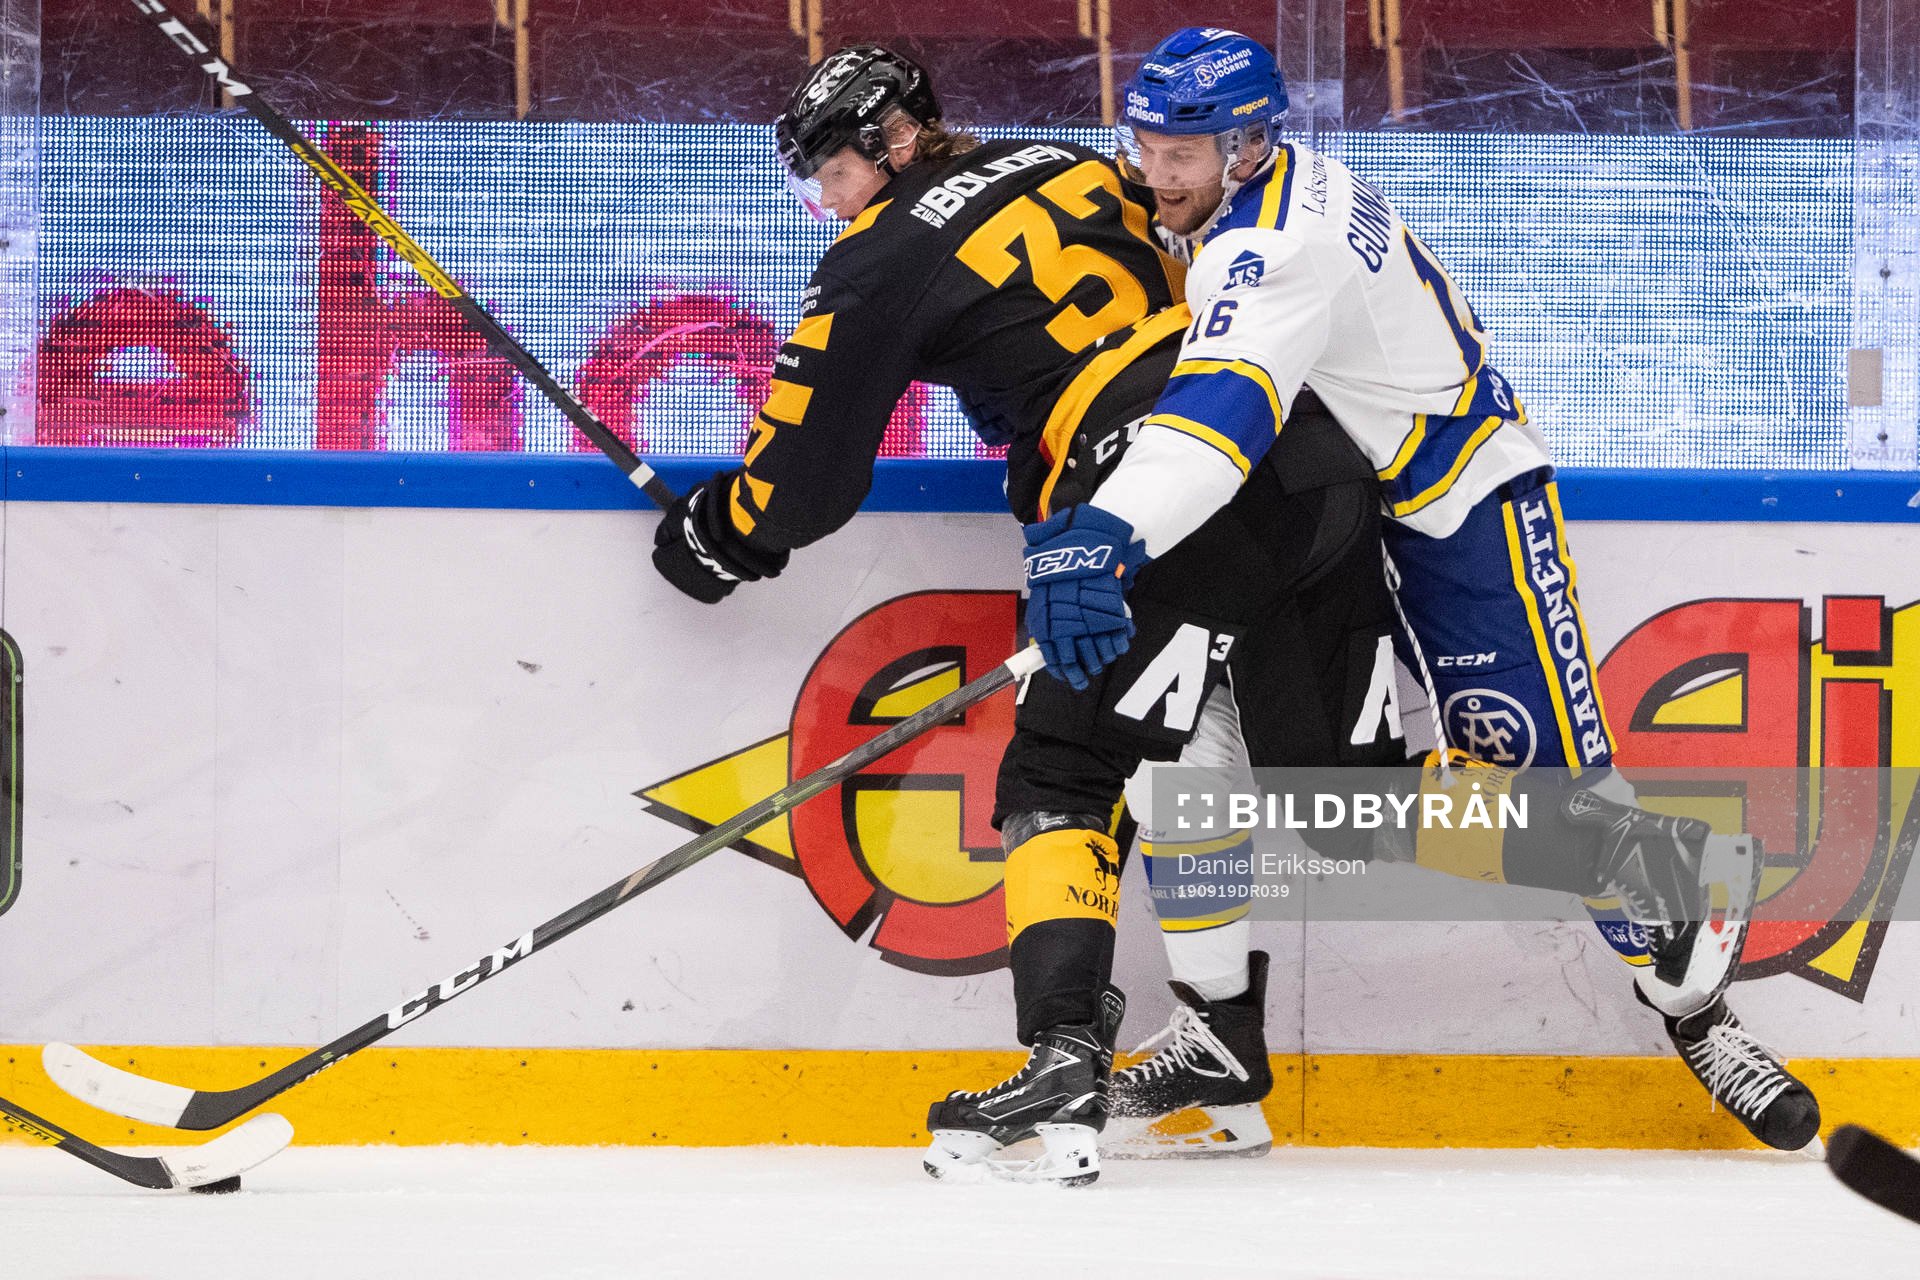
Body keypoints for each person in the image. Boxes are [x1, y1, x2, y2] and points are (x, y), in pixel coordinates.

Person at [1033, 27, 1821, 1155]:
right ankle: (1215, 1021)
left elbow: (1219, 414)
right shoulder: (1253, 200)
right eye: (1146, 143)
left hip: (1460, 504)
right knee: (1239, 753)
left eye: (1185, 153)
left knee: (1548, 785)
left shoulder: (1270, 248)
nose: (1157, 173)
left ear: (1250, 146)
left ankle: (1691, 997)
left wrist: (1106, 529)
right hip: (1341, 513)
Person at [649, 42, 1416, 1184]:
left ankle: (1063, 1056)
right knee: (1348, 811)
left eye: (829, 173)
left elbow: (805, 476)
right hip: (1306, 462)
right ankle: (1651, 871)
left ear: (892, 143)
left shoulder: (877, 259)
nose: (825, 201)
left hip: (1152, 492)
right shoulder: (1063, 160)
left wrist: (718, 534)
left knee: (1061, 769)